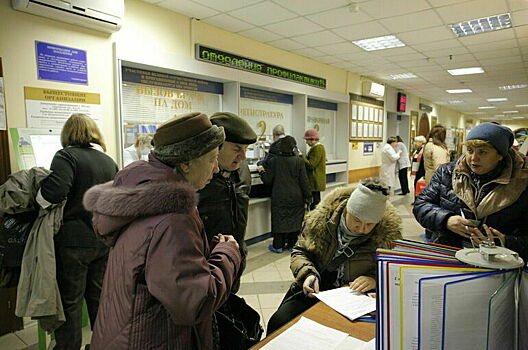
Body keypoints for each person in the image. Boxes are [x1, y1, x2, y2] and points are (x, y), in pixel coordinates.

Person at [84, 112, 241, 350]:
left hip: (123, 332)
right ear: (186, 163)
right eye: (211, 159)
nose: (217, 169)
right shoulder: (173, 215)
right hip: (154, 338)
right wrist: (228, 253)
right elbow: (194, 302)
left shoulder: (142, 192)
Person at [266, 177, 402, 334]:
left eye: (369, 224)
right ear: (347, 211)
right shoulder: (321, 222)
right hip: (317, 290)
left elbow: (394, 272)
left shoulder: (386, 236)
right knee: (279, 323)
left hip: (355, 299)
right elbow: (300, 251)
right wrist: (308, 274)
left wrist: (374, 279)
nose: (361, 228)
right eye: (357, 220)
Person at [37, 113, 118, 350]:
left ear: (68, 133)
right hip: (102, 240)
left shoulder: (66, 156)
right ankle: (104, 344)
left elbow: (55, 191)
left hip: (73, 242)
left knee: (70, 303)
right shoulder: (107, 161)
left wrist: (38, 195)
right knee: (100, 299)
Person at [413, 122, 528, 260]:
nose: (473, 158)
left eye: (483, 152)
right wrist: (446, 220)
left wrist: (505, 241)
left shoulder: (522, 182)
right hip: (448, 254)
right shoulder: (447, 172)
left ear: (500, 155)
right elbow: (421, 205)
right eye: (470, 150)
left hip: (499, 263)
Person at [198, 111, 257, 293]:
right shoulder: (199, 177)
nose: (243, 156)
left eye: (246, 150)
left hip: (236, 256)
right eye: (237, 149)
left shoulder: (242, 171)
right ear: (217, 147)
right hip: (206, 264)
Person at [258, 136, 312, 253]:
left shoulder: (274, 161)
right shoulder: (299, 161)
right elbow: (304, 181)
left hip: (279, 196)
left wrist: (261, 171)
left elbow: (267, 180)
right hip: (297, 196)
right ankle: (291, 245)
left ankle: (277, 246)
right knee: (295, 220)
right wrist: (308, 196)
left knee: (279, 220)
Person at [301, 129, 326, 210]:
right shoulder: (317, 148)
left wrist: (301, 156)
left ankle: (314, 219)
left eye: (307, 140)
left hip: (314, 180)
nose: (306, 142)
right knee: (316, 201)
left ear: (312, 140)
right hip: (315, 180)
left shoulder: (317, 148)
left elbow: (311, 165)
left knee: (315, 203)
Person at [411, 135, 427, 200]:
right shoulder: (417, 150)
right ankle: (415, 199)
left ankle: (419, 199)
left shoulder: (424, 150)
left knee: (420, 186)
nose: (415, 143)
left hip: (421, 171)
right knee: (415, 185)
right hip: (416, 170)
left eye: (417, 142)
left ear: (421, 142)